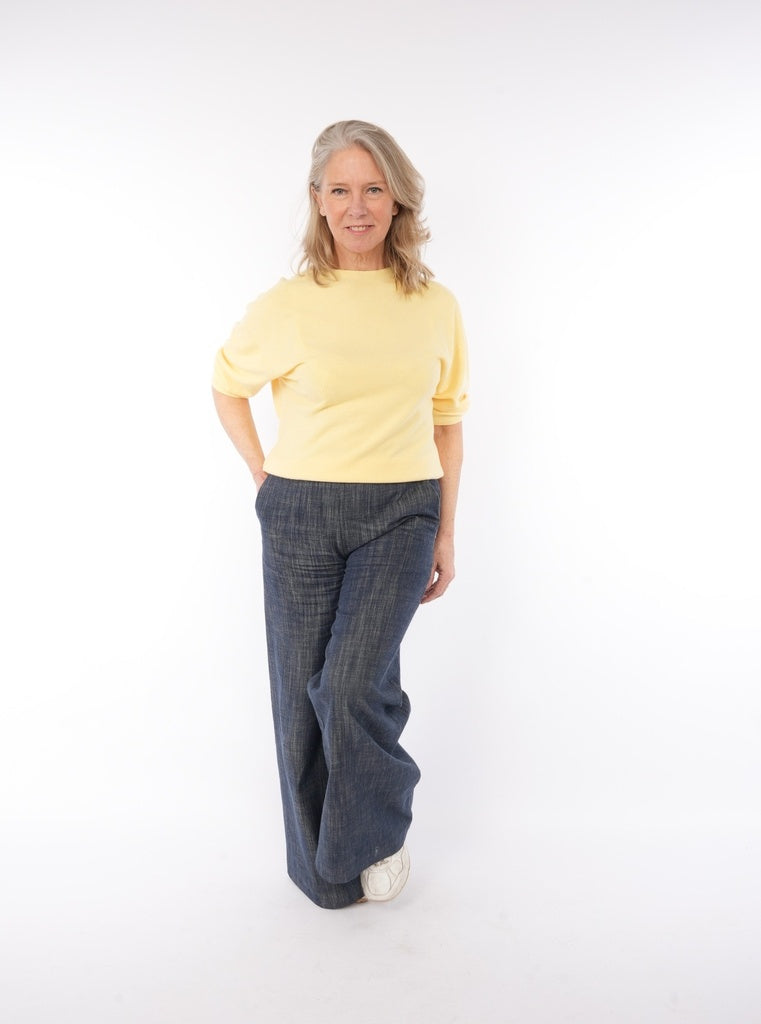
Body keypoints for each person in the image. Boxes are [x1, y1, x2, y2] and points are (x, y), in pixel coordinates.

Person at [211, 120, 469, 910]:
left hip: (401, 511)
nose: (357, 206)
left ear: (397, 201)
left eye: (373, 189)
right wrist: (261, 471)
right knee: (300, 695)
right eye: (340, 190)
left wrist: (446, 532)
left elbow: (447, 422)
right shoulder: (286, 306)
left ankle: (377, 831)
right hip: (299, 510)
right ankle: (322, 867)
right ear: (318, 202)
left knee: (351, 684)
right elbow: (226, 386)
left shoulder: (434, 305)